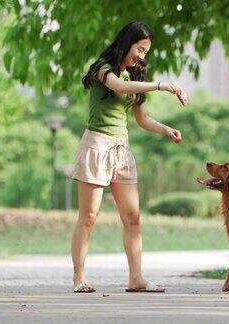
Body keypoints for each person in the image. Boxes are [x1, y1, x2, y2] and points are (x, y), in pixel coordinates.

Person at [70, 21, 186, 293]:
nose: (141, 56)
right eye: (140, 49)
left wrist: (166, 129)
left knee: (133, 217)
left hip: (122, 150)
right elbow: (118, 88)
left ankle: (136, 278)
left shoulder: (135, 78)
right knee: (88, 217)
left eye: (145, 52)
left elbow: (142, 119)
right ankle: (79, 279)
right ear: (127, 42)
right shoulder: (103, 69)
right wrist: (162, 85)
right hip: (97, 146)